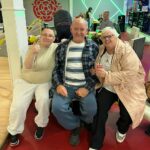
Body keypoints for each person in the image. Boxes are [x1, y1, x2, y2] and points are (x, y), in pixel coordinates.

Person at [89, 27, 147, 150]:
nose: (107, 39)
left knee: (127, 114)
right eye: (104, 37)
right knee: (99, 111)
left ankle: (122, 129)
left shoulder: (126, 51)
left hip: (128, 87)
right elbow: (98, 66)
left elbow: (130, 74)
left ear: (117, 36)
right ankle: (96, 142)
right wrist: (95, 71)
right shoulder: (101, 49)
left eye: (110, 36)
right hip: (109, 86)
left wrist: (106, 75)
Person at [52, 17, 99, 146]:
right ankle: (76, 126)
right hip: (66, 86)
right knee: (56, 108)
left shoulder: (93, 47)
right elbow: (56, 69)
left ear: (87, 31)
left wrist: (88, 88)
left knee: (91, 110)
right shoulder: (62, 47)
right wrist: (58, 85)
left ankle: (84, 121)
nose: (79, 32)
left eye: (82, 29)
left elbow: (98, 72)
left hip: (84, 86)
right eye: (76, 29)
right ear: (71, 29)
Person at [7, 27, 58, 146]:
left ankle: (41, 124)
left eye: (50, 35)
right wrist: (32, 53)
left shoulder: (56, 47)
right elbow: (28, 66)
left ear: (54, 39)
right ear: (40, 36)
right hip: (26, 80)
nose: (47, 37)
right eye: (44, 34)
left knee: (44, 101)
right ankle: (13, 130)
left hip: (44, 81)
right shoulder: (32, 47)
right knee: (18, 105)